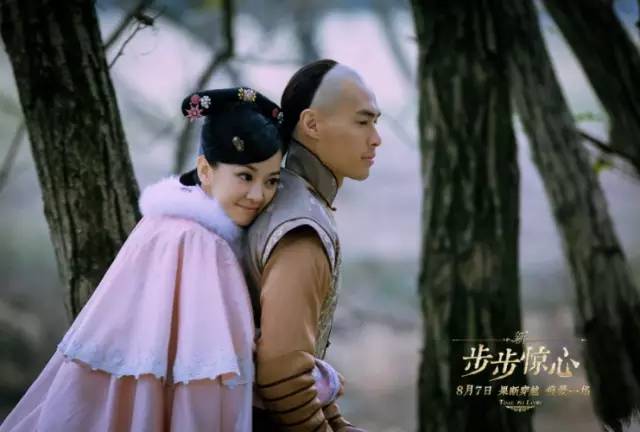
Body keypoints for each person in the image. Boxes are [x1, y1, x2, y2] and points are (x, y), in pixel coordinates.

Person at [0, 87, 284, 432]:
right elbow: (209, 376)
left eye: (271, 181)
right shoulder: (201, 243)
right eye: (245, 176)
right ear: (205, 170)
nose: (258, 195)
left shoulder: (163, 223)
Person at [244, 60, 381, 432]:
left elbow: (298, 363)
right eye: (362, 122)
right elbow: (283, 376)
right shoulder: (301, 228)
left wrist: (336, 423)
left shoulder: (292, 198)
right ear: (312, 124)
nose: (376, 139)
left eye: (375, 122)